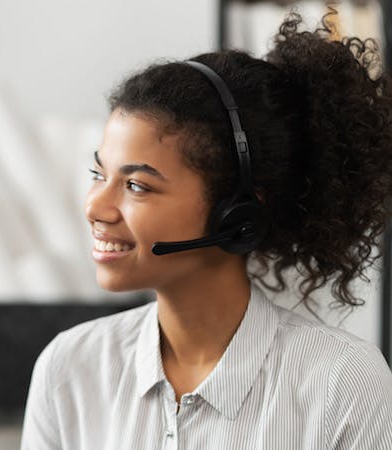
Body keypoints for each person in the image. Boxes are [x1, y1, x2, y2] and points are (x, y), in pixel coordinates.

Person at [20, 10, 392, 450]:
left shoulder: (342, 385)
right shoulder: (69, 368)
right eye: (99, 174)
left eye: (137, 185)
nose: (94, 207)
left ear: (238, 216)